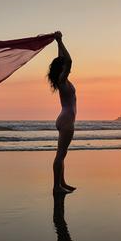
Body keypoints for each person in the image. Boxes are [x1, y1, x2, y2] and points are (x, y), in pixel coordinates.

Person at [49, 31, 77, 193]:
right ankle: (56, 187)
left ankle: (62, 183)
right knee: (60, 155)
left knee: (62, 154)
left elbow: (62, 60)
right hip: (66, 121)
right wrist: (60, 40)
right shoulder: (62, 80)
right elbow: (69, 60)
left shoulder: (62, 80)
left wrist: (58, 43)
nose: (68, 67)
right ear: (63, 69)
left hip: (64, 119)